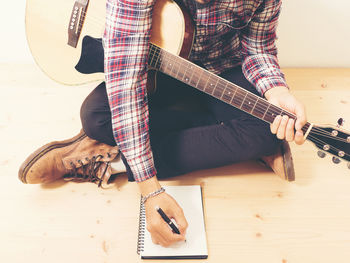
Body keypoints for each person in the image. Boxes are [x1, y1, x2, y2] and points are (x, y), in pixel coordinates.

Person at [19, 0, 307, 248]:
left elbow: (257, 46)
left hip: (221, 70)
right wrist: (150, 189)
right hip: (157, 74)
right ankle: (110, 154)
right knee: (96, 116)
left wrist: (276, 91)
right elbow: (126, 80)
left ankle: (119, 158)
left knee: (266, 127)